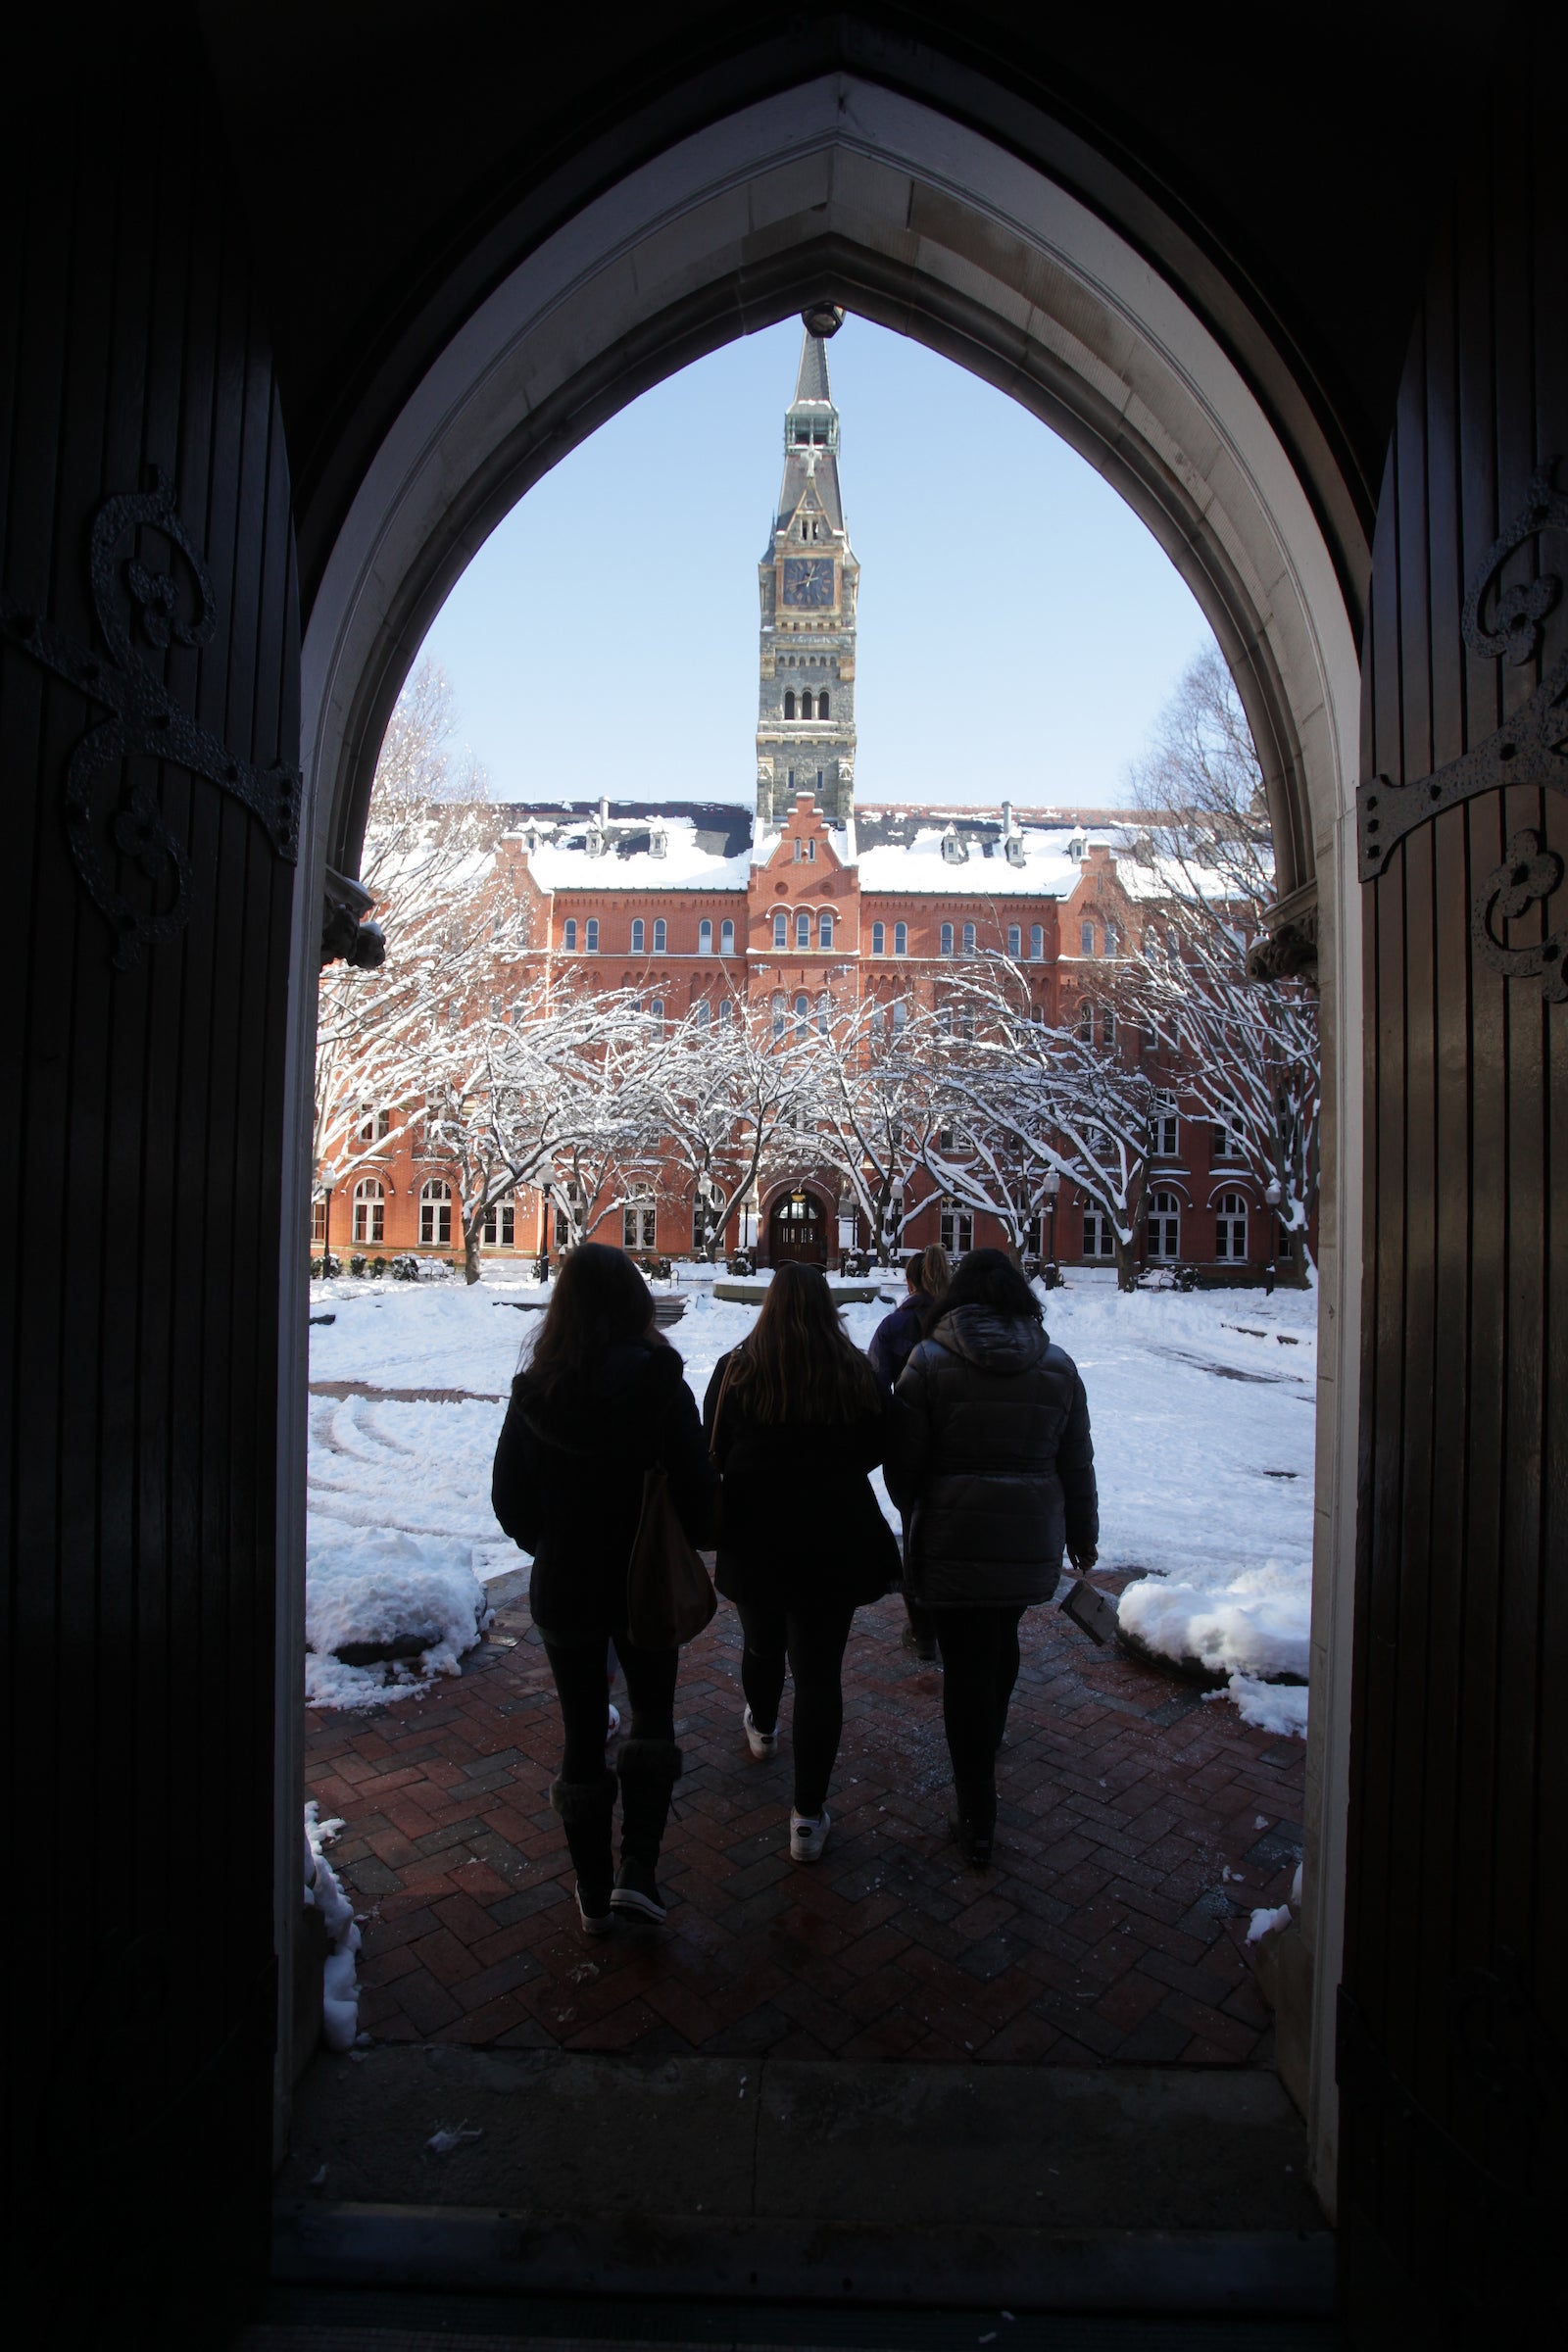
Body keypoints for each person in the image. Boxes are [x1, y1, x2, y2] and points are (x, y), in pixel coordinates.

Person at [491, 1244, 716, 1933]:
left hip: (565, 1586)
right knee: (651, 1714)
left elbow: (511, 1502)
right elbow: (703, 1503)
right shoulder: (661, 1387)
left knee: (581, 1730)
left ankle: (591, 1893)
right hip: (642, 1581)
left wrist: (556, 1543)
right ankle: (637, 1873)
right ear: (635, 1304)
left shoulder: (537, 1390)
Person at [888, 1248, 1098, 1868]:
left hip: (952, 1538)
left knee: (963, 1664)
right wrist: (1082, 1536)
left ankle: (976, 1808)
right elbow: (1076, 1463)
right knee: (1002, 1642)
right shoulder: (1058, 1367)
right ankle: (992, 1733)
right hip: (1026, 1538)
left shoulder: (926, 1363)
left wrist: (924, 1504)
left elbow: (903, 1471)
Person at [703, 1261, 902, 1864]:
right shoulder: (853, 1372)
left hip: (756, 1536)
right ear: (825, 1306)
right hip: (832, 1541)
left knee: (762, 1642)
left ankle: (762, 1728)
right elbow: (878, 1442)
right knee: (819, 1675)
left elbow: (711, 1446)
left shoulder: (737, 1369)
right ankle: (807, 1818)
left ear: (770, 1304)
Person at [867, 1243, 951, 1660]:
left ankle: (923, 1630)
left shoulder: (895, 1327)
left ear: (910, 1281)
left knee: (915, 1535)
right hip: (961, 1446)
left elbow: (874, 1391)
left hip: (910, 1452)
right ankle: (956, 1618)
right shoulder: (962, 1322)